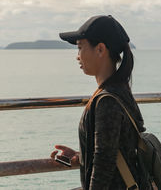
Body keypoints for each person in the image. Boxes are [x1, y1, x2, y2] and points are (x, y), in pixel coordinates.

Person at [50, 15, 151, 189]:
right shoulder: (120, 90)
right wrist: (82, 155)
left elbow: (104, 164)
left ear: (100, 49)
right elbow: (116, 148)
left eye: (80, 47)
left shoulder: (107, 100)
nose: (77, 56)